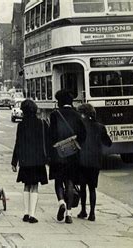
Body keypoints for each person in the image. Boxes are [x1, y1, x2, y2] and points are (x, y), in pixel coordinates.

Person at [48, 89, 86, 224]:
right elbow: (83, 135)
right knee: (70, 181)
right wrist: (75, 143)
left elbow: (51, 135)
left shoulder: (54, 115)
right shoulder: (77, 115)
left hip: (58, 153)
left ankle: (61, 202)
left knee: (58, 180)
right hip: (73, 154)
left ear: (59, 102)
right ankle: (69, 213)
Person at [11, 99, 49, 223]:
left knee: (26, 185)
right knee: (34, 186)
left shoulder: (21, 125)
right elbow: (48, 141)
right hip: (38, 159)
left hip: (25, 159)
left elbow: (18, 143)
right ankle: (32, 215)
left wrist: (14, 161)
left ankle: (26, 213)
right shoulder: (42, 123)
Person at [76, 104, 112, 221]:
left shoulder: (80, 126)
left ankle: (83, 210)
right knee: (92, 188)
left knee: (82, 187)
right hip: (95, 161)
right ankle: (92, 213)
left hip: (82, 161)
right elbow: (108, 143)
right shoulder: (100, 127)